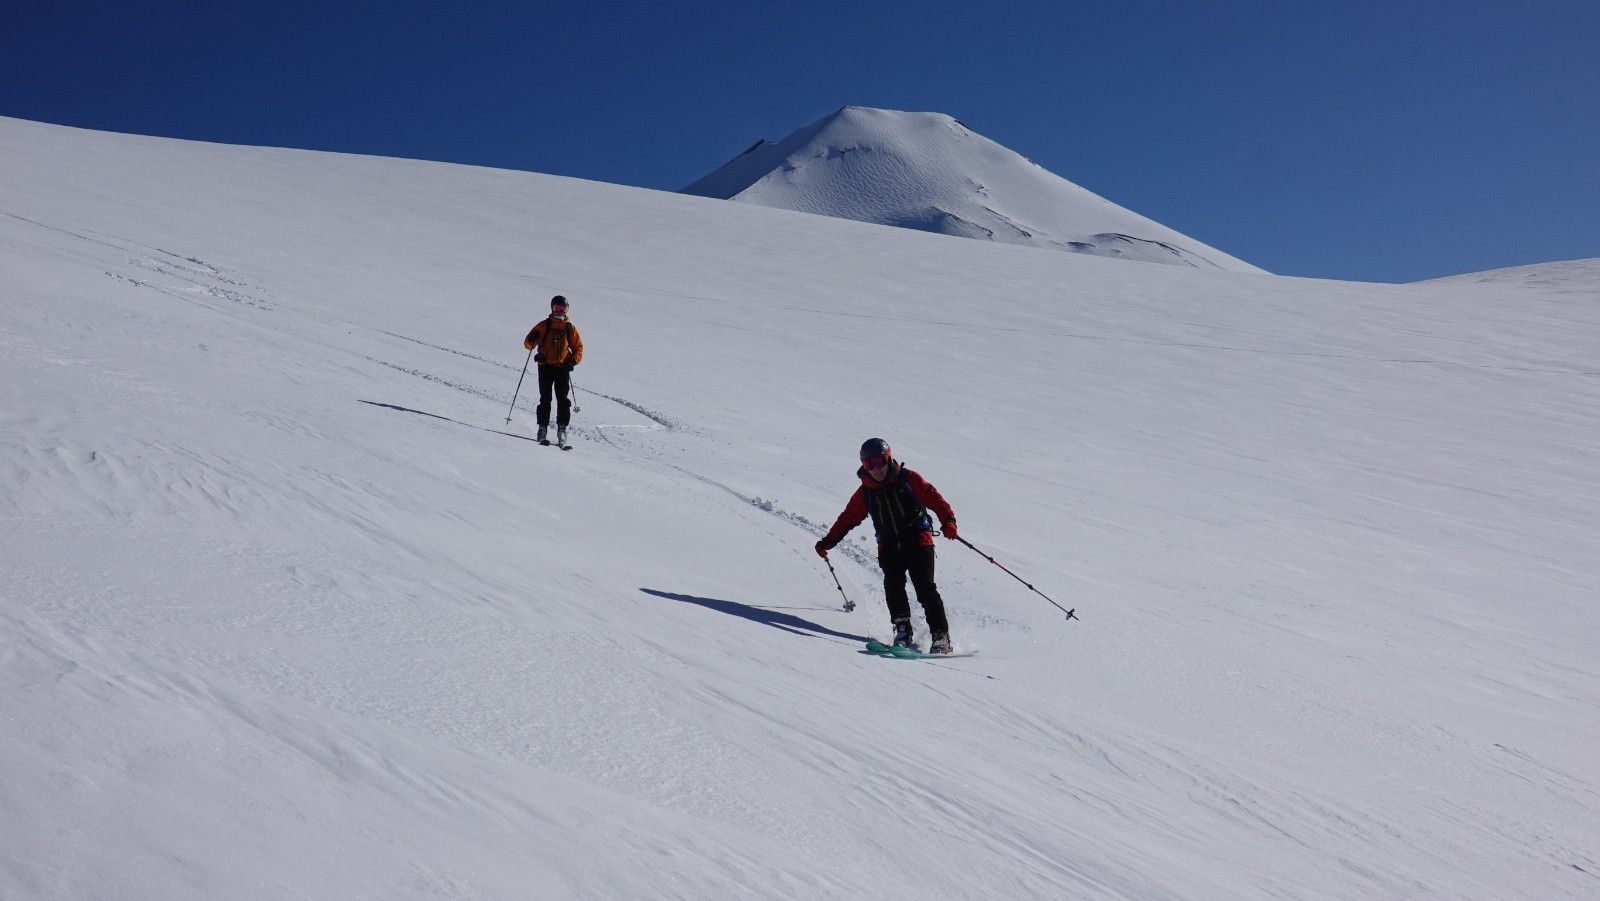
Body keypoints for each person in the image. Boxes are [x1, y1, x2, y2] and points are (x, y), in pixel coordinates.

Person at [815, 438, 959, 653]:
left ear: (888, 458)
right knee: (893, 586)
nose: (875, 469)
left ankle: (941, 637)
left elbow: (933, 497)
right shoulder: (866, 491)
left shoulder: (908, 479)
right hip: (889, 545)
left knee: (925, 588)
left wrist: (948, 521)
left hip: (918, 540)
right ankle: (902, 629)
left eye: (879, 461)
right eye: (868, 464)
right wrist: (828, 542)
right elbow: (848, 518)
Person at [523, 295, 584, 447]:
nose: (559, 311)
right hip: (545, 366)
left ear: (567, 309)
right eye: (556, 308)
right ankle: (542, 429)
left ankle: (562, 430)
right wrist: (533, 338)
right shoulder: (544, 325)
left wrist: (572, 361)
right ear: (552, 308)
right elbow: (527, 344)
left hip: (562, 368)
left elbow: (578, 348)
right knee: (545, 399)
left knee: (563, 400)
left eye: (562, 308)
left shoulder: (570, 327)